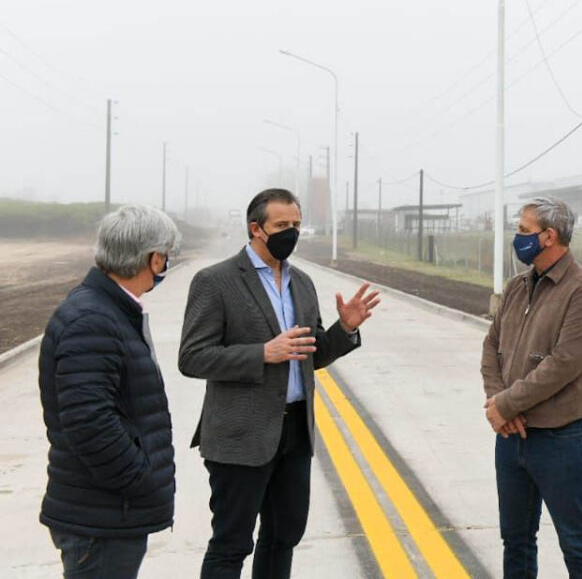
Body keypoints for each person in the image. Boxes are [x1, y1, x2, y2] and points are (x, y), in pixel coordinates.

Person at [178, 188, 379, 579]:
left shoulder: (301, 282)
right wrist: (261, 353)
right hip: (240, 437)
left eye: (297, 225)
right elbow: (192, 358)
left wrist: (345, 329)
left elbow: (311, 354)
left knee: (283, 537)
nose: (292, 232)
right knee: (231, 544)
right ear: (256, 228)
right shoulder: (215, 281)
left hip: (294, 433)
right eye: (282, 225)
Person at [38, 204, 180, 578]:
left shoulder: (108, 310)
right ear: (153, 259)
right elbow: (89, 424)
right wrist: (142, 481)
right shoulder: (93, 320)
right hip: (102, 519)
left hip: (107, 513)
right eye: (165, 256)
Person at [481, 196, 582, 579]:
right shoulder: (518, 285)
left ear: (549, 236)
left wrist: (505, 403)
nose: (517, 237)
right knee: (515, 540)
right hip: (511, 436)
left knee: (576, 542)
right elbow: (491, 345)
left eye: (523, 230)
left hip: (560, 437)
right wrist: (497, 401)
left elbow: (564, 364)